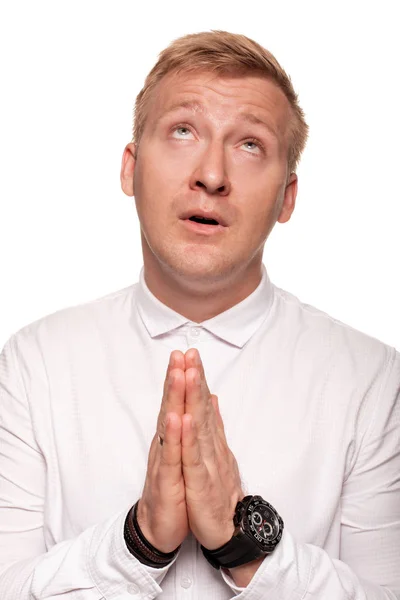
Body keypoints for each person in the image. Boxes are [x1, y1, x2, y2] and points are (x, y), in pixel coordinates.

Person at [0, 30, 399, 600]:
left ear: (287, 197)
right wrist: (138, 541)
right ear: (129, 169)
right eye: (183, 131)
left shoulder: (373, 380)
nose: (211, 175)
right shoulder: (31, 364)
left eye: (250, 144)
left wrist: (243, 545)